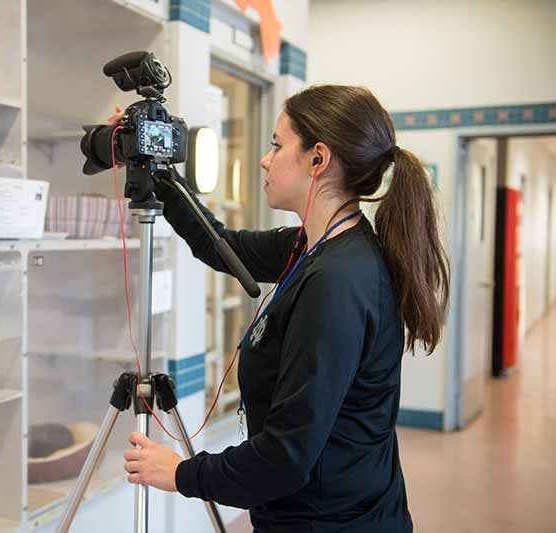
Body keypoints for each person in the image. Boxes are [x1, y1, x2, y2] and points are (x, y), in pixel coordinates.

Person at [115, 85, 450, 532]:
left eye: (277, 144)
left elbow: (285, 457)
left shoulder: (338, 281)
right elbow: (224, 247)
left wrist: (179, 473)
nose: (265, 159)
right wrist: (160, 174)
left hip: (331, 522)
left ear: (318, 159)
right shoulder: (313, 246)